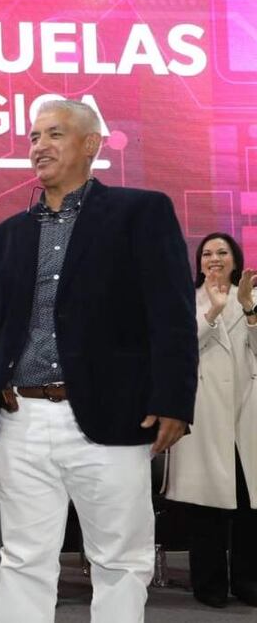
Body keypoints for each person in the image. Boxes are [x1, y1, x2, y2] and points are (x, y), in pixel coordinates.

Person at [0, 99, 197, 622]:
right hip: (22, 419)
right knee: (22, 558)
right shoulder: (6, 235)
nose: (39, 146)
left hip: (112, 415)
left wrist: (174, 398)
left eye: (54, 134)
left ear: (91, 144)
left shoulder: (141, 211)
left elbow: (171, 314)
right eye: (34, 137)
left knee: (119, 561)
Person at [164, 232, 257, 608]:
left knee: (251, 503)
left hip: (248, 413)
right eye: (206, 253)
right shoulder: (184, 299)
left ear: (235, 259)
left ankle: (249, 581)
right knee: (207, 508)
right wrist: (214, 311)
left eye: (222, 252)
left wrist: (248, 309)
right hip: (204, 413)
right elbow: (179, 349)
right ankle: (210, 584)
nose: (214, 258)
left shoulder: (250, 297)